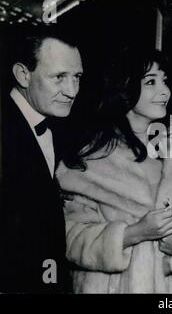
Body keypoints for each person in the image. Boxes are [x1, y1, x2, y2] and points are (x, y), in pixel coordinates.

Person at [56, 48, 172, 293]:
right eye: (150, 82)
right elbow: (70, 238)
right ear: (124, 88)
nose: (165, 91)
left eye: (165, 81)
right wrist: (134, 233)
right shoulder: (91, 157)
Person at [0, 32, 83, 293]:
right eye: (59, 77)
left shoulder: (60, 127)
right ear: (23, 74)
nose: (72, 91)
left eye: (77, 77)